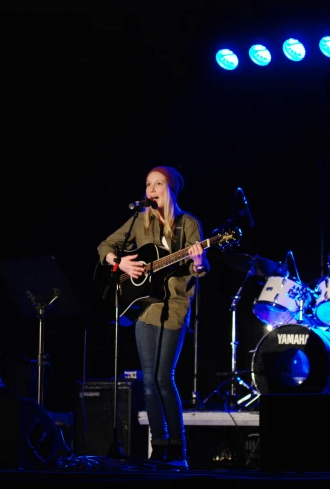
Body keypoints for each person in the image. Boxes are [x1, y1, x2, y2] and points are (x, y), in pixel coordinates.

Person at [97, 165, 209, 470]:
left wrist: (198, 261)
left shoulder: (188, 224)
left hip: (173, 306)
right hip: (145, 307)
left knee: (163, 378)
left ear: (170, 188)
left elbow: (199, 271)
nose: (152, 189)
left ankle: (179, 451)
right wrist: (119, 264)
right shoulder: (140, 221)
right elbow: (105, 246)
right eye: (148, 184)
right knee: (148, 382)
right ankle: (158, 447)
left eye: (158, 183)